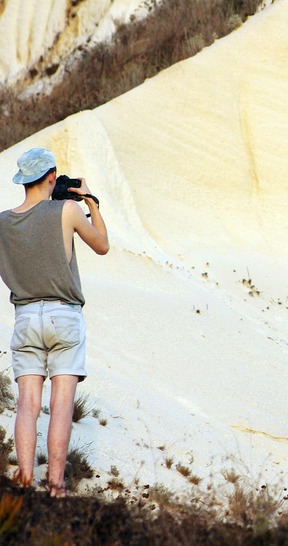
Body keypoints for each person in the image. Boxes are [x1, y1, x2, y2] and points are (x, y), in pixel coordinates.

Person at [0, 148, 109, 497]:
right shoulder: (67, 209)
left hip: (26, 316)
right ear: (51, 177)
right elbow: (102, 246)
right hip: (64, 314)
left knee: (28, 404)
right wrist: (90, 201)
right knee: (62, 403)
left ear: (23, 181)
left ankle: (26, 481)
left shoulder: (2, 222)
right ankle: (57, 487)